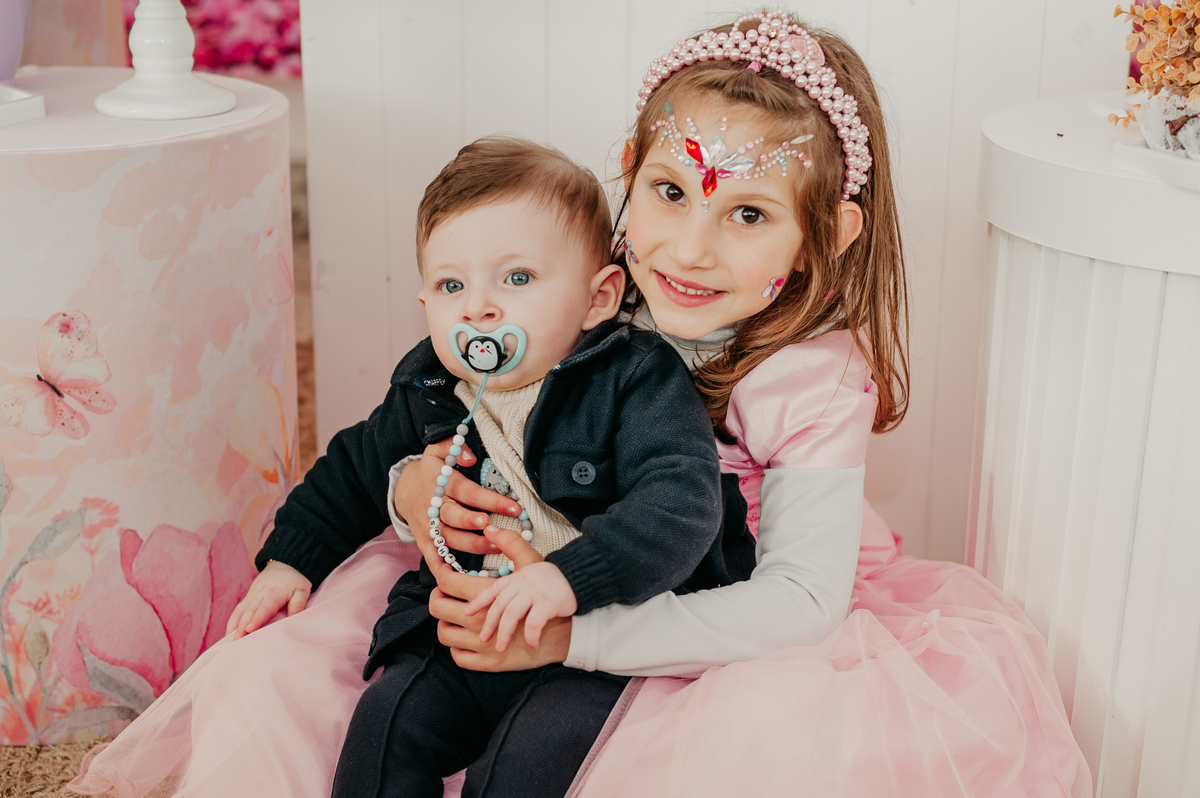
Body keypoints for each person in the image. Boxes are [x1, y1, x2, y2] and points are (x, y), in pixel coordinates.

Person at [396, 13, 1093, 797]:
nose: (691, 250)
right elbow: (465, 396)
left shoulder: (811, 385)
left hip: (726, 630)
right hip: (559, 578)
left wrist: (575, 637)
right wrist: (413, 484)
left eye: (749, 213)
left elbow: (799, 602)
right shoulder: (588, 296)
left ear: (827, 234)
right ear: (630, 170)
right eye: (670, 191)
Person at [68, 138, 754, 798]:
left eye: (517, 278)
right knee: (386, 727)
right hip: (457, 631)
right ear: (426, 304)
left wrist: (567, 579)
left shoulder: (635, 380)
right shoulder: (429, 389)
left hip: (587, 644)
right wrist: (291, 560)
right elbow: (353, 469)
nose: (479, 306)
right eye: (452, 285)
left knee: (531, 762)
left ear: (598, 297)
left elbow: (679, 504)